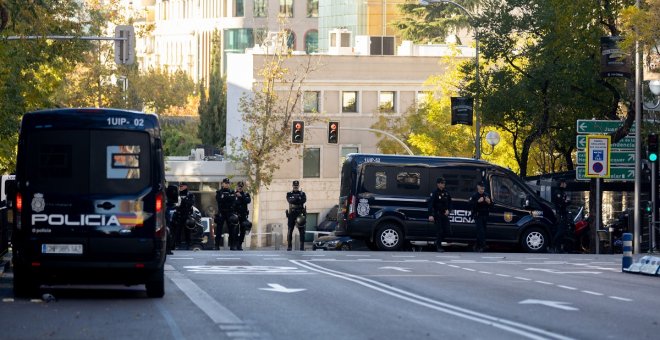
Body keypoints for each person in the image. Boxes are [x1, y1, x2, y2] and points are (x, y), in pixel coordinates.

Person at [428, 177, 452, 252]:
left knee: (448, 231)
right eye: (441, 183)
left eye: (443, 183)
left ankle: (437, 241)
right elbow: (430, 204)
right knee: (440, 231)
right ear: (438, 184)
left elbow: (450, 203)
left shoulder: (446, 193)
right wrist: (430, 215)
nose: (442, 185)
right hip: (437, 214)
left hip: (444, 214)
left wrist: (449, 210)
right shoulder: (434, 193)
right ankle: (439, 246)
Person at [469, 182, 492, 252]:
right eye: (481, 188)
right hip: (478, 216)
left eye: (483, 188)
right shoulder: (475, 196)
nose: (482, 190)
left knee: (483, 231)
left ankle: (476, 246)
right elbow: (470, 205)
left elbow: (492, 206)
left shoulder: (486, 195)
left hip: (485, 215)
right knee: (481, 231)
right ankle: (483, 246)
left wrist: (489, 203)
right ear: (478, 187)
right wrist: (478, 201)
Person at [215, 178, 236, 250]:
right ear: (222, 184)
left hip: (229, 212)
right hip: (221, 212)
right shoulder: (219, 192)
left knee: (231, 229)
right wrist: (227, 198)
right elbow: (219, 200)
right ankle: (217, 245)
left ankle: (232, 245)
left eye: (228, 183)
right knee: (219, 230)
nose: (227, 184)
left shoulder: (232, 192)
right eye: (225, 183)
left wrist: (225, 198)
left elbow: (233, 201)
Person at [286, 180, 307, 251]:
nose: (295, 187)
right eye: (294, 186)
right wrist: (298, 198)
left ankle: (302, 247)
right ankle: (289, 246)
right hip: (292, 214)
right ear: (292, 186)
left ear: (298, 186)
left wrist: (295, 199)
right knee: (290, 230)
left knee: (302, 231)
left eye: (297, 186)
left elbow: (303, 200)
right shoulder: (289, 193)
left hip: (300, 213)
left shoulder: (302, 193)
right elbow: (290, 200)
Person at [552, 179, 570, 253]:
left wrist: (566, 201)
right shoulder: (558, 192)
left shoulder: (562, 192)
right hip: (560, 214)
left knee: (563, 231)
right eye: (564, 183)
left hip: (563, 213)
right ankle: (555, 246)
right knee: (560, 230)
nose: (566, 184)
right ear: (561, 183)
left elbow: (567, 201)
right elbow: (562, 203)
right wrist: (566, 202)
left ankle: (559, 247)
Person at [233, 181, 252, 251]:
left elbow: (248, 201)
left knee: (243, 231)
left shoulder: (245, 194)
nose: (239, 188)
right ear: (236, 187)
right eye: (238, 186)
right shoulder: (233, 194)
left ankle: (240, 244)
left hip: (243, 215)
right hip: (235, 215)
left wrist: (241, 196)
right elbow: (233, 203)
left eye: (241, 187)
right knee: (235, 230)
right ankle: (234, 244)